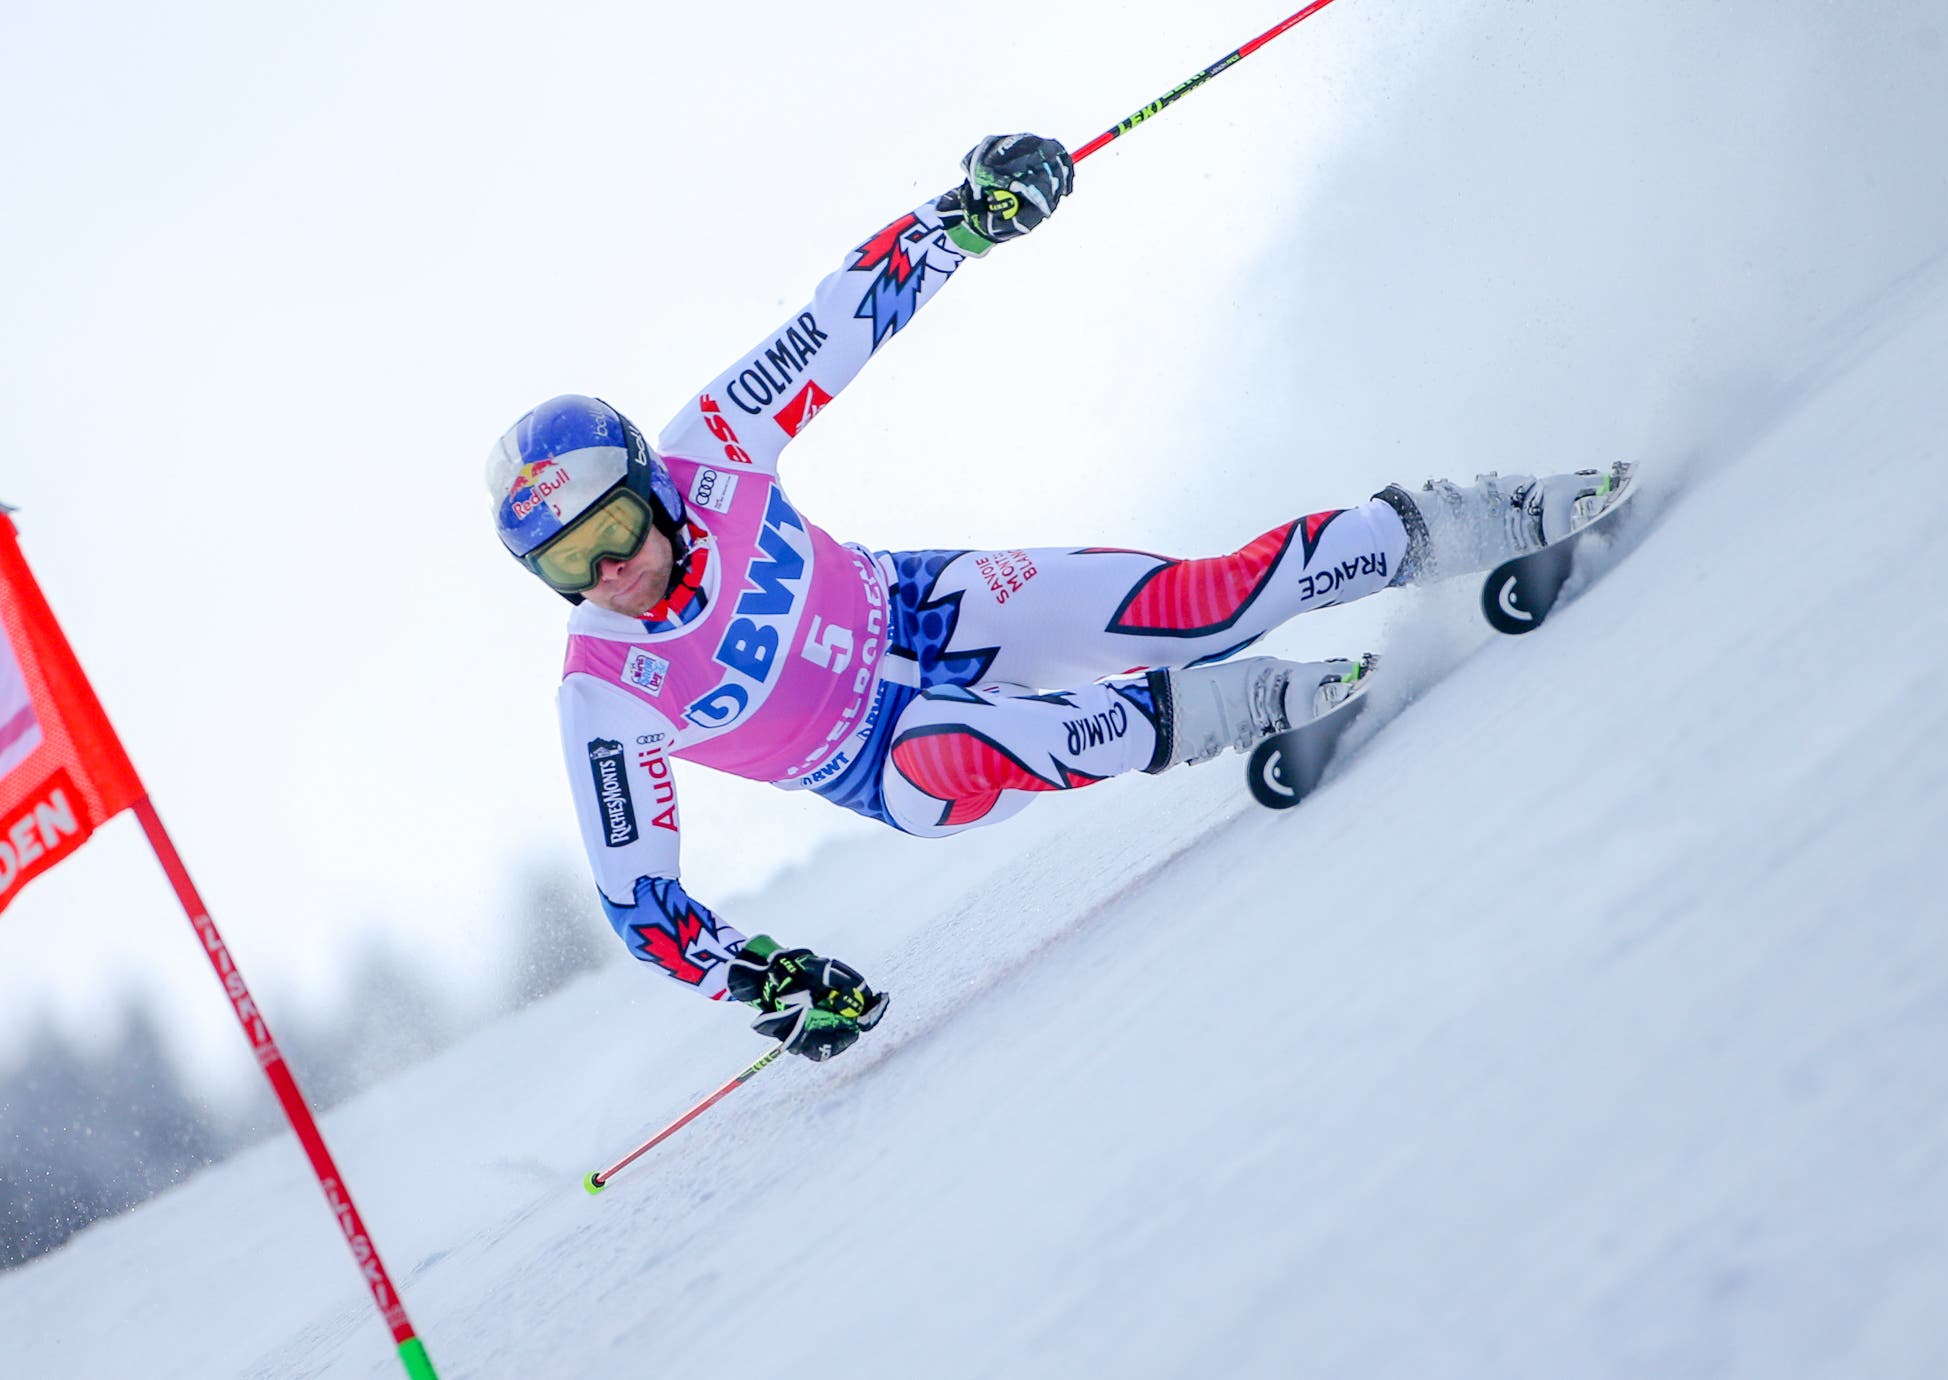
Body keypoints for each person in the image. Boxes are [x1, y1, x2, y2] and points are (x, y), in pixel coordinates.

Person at [486, 134, 1621, 1061]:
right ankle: (1270, 705)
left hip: (928, 607)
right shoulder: (606, 693)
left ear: (647, 484)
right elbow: (642, 903)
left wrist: (965, 215)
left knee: (1201, 602)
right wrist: (769, 984)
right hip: (887, 759)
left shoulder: (712, 446)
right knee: (1028, 737)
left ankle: (1490, 517)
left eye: (616, 531)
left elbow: (842, 318)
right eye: (568, 568)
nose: (613, 574)